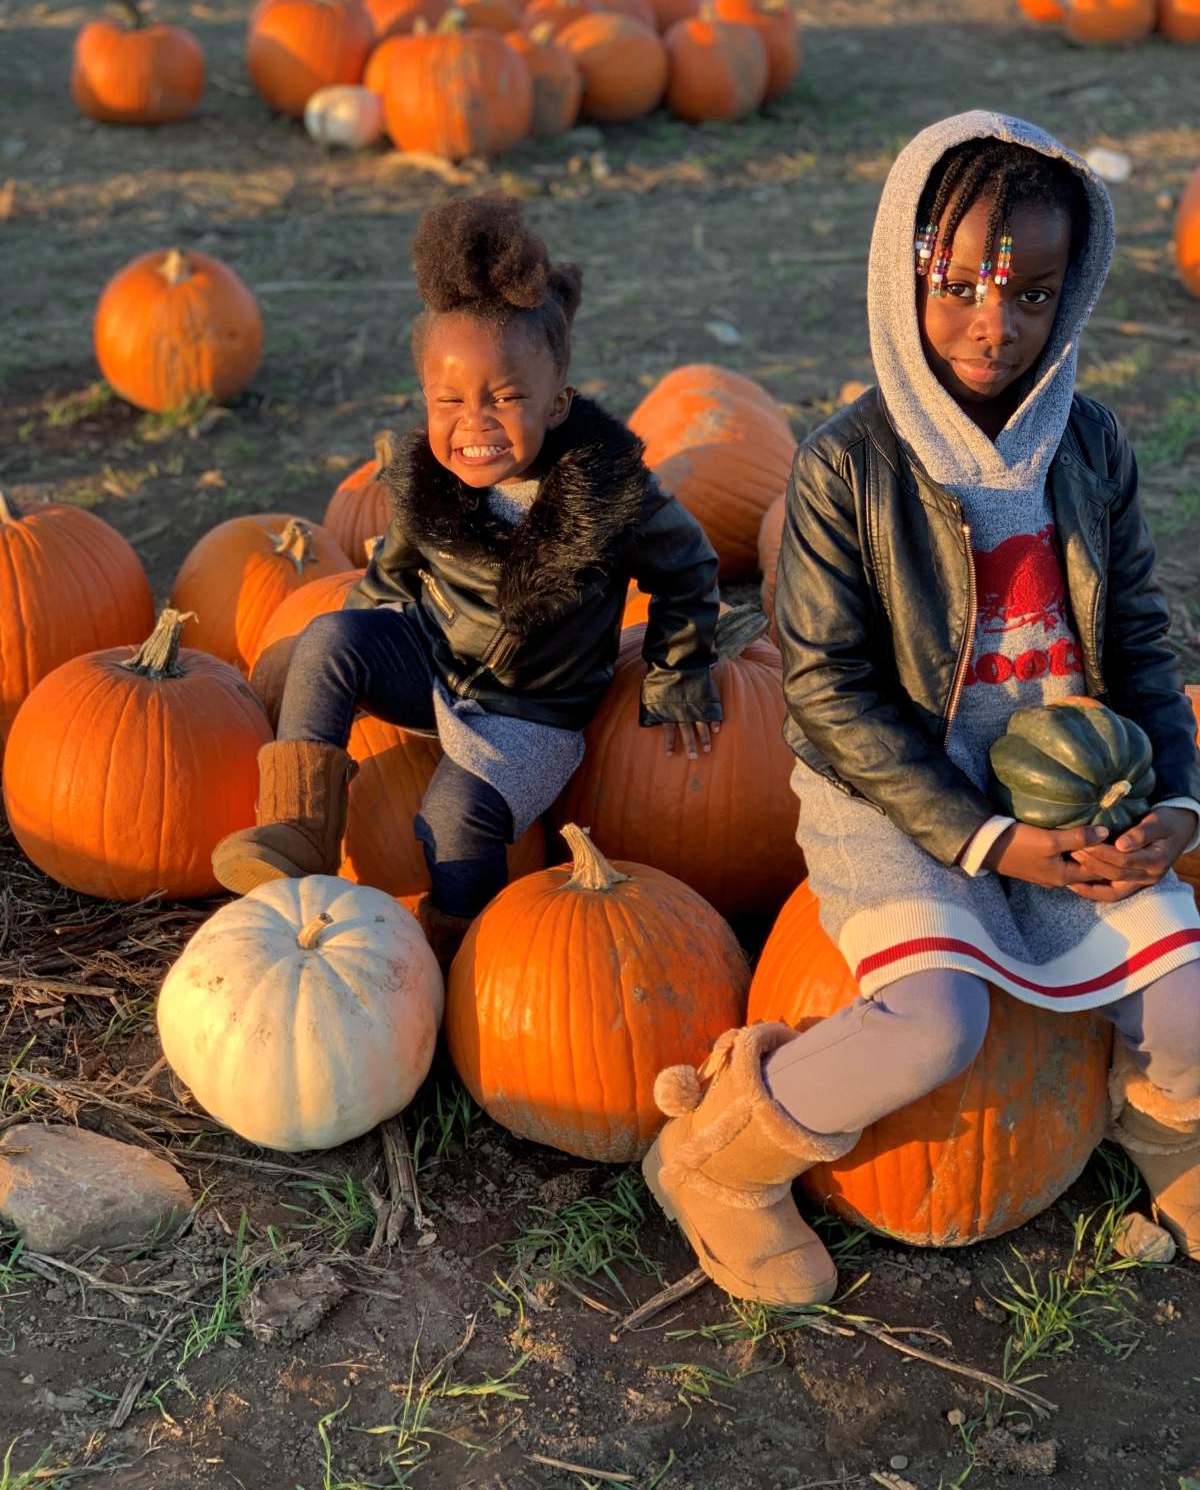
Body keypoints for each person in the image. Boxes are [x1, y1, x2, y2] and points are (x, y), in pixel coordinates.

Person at [643, 111, 1200, 1306]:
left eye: (1035, 293)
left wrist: (1175, 798)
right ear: (904, 275)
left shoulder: (1089, 447)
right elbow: (829, 693)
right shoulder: (848, 464)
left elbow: (1141, 641)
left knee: (1190, 991)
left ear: (1077, 291)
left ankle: (1157, 1132)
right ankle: (719, 1158)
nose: (996, 324)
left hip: (1068, 786)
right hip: (897, 797)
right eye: (959, 287)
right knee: (933, 1024)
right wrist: (989, 841)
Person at [212, 195, 723, 964]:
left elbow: (690, 571)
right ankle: (300, 827)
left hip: (529, 709)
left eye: (506, 398)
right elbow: (392, 573)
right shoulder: (431, 477)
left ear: (556, 401)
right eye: (449, 400)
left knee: (452, 816)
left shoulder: (613, 494)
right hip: (436, 659)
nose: (473, 422)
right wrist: (361, 642)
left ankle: (462, 953)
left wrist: (678, 669)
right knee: (330, 635)